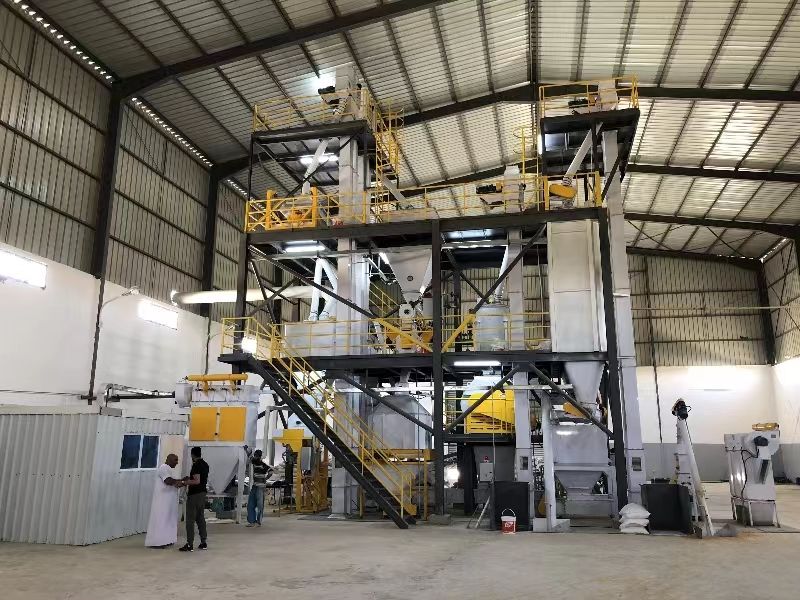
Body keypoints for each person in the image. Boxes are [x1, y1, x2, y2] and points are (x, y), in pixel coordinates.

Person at [145, 454, 184, 548]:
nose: (177, 462)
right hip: (162, 501)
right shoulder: (163, 468)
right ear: (169, 459)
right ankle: (157, 542)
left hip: (168, 502)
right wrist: (182, 482)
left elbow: (172, 481)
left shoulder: (168, 469)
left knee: (168, 521)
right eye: (175, 460)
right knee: (161, 521)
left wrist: (182, 481)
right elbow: (168, 481)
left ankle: (167, 540)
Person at [179, 447, 209, 552]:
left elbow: (196, 481)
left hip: (194, 495)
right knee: (200, 518)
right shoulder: (205, 464)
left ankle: (189, 544)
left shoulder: (196, 465)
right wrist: (189, 479)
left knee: (190, 520)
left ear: (192, 455)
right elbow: (201, 479)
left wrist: (183, 482)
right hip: (202, 494)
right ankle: (203, 542)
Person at [246, 449, 273, 527]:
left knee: (259, 505)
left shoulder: (262, 465)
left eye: (256, 456)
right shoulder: (255, 462)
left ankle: (258, 521)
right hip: (255, 486)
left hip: (260, 487)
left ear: (259, 457)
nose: (255, 457)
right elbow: (250, 457)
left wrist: (266, 478)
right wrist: (246, 451)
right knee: (251, 504)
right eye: (255, 456)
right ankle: (252, 521)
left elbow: (271, 471)